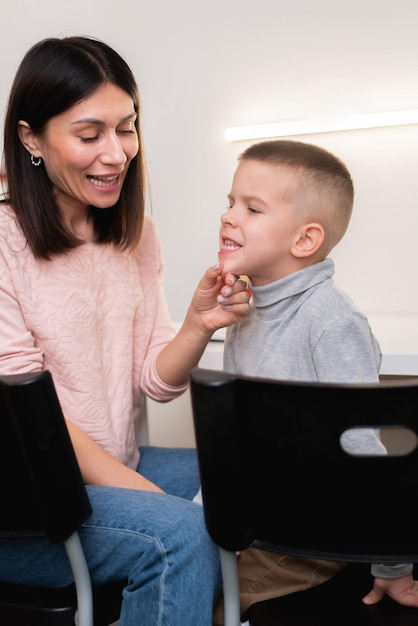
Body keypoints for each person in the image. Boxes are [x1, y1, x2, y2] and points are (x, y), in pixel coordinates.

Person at [0, 36, 252, 626]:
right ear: (31, 137)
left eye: (127, 128)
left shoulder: (136, 233)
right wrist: (160, 505)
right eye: (89, 135)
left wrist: (196, 324)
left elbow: (154, 381)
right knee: (184, 534)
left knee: (256, 481)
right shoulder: (4, 242)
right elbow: (26, 417)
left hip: (113, 467)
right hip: (29, 505)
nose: (116, 154)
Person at [212, 139, 418, 622]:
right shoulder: (246, 309)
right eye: (230, 203)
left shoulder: (331, 322)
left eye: (252, 208)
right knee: (176, 565)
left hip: (310, 539)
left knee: (203, 604)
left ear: (304, 241)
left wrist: (390, 564)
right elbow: (239, 440)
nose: (228, 216)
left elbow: (363, 451)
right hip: (257, 521)